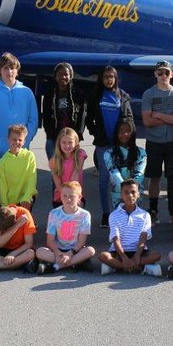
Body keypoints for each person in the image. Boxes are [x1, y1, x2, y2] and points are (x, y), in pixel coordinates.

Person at [85, 66, 134, 226]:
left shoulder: (123, 96)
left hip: (120, 144)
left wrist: (126, 136)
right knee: (104, 179)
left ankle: (122, 211)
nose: (109, 80)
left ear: (115, 78)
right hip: (103, 144)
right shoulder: (95, 95)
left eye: (111, 77)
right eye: (106, 77)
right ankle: (106, 214)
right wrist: (95, 132)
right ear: (101, 78)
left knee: (121, 179)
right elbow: (88, 117)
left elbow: (129, 118)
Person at [140, 60, 173, 222]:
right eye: (160, 72)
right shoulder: (148, 94)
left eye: (166, 72)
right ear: (155, 74)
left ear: (172, 74)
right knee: (154, 177)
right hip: (154, 142)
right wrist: (170, 117)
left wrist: (159, 115)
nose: (163, 75)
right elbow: (147, 121)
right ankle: (153, 210)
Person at [0, 52, 39, 165]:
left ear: (17, 71)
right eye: (5, 68)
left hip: (21, 152)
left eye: (12, 68)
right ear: (0, 70)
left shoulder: (27, 92)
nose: (9, 72)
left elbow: (33, 120)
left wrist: (25, 141)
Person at [99, 179, 163, 277]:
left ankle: (116, 267)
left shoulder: (145, 215)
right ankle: (143, 268)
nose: (130, 195)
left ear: (138, 194)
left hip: (139, 252)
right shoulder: (114, 215)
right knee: (103, 256)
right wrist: (124, 257)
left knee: (156, 255)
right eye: (126, 192)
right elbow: (116, 239)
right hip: (119, 252)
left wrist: (137, 256)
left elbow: (143, 238)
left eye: (133, 192)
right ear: (121, 195)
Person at [36, 181, 96, 273]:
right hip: (58, 250)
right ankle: (75, 263)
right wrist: (57, 253)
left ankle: (56, 266)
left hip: (75, 250)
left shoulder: (85, 215)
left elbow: (81, 241)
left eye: (72, 196)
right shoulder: (54, 213)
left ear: (79, 197)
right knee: (39, 252)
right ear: (60, 196)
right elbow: (50, 240)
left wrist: (70, 253)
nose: (68, 199)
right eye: (64, 196)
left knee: (90, 250)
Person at [40, 62, 87, 160]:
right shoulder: (49, 95)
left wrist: (77, 135)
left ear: (71, 76)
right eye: (60, 74)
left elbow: (82, 116)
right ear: (55, 76)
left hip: (72, 137)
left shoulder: (79, 94)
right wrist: (51, 135)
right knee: (52, 155)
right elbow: (46, 117)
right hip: (54, 137)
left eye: (66, 74)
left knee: (70, 166)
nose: (63, 77)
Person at [103, 119, 146, 212]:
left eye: (128, 131)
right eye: (121, 131)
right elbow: (114, 174)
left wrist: (131, 192)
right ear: (116, 133)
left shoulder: (141, 153)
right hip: (118, 195)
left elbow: (140, 174)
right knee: (119, 219)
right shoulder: (109, 154)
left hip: (135, 194)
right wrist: (125, 193)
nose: (125, 134)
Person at [0, 124, 37, 209]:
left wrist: (26, 197)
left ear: (24, 141)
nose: (17, 142)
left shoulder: (30, 156)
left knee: (24, 214)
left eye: (20, 140)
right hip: (9, 202)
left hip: (25, 199)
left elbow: (32, 179)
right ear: (8, 140)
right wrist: (5, 206)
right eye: (14, 139)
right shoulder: (2, 162)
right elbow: (2, 186)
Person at [49, 127, 87, 207]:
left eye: (70, 142)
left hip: (76, 196)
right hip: (60, 198)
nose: (67, 145)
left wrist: (73, 198)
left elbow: (75, 176)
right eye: (64, 142)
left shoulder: (80, 154)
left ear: (76, 142)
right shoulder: (54, 161)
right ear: (59, 143)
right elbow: (58, 184)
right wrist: (67, 198)